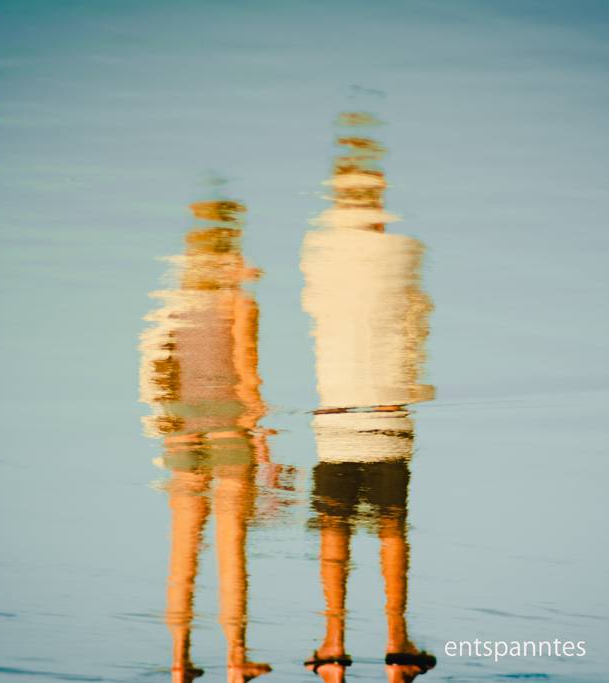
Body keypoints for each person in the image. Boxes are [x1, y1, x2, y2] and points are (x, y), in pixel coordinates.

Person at [301, 113, 437, 683]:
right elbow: (416, 323)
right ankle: (396, 644)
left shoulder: (317, 248)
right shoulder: (405, 249)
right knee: (391, 524)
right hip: (386, 405)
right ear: (379, 194)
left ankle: (332, 648)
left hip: (334, 404)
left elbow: (315, 315)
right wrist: (410, 389)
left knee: (334, 520)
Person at [139, 198, 279, 683]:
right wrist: (264, 448)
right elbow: (247, 378)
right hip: (228, 429)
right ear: (231, 250)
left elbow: (157, 371)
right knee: (230, 550)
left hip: (179, 429)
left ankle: (179, 660)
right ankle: (235, 658)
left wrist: (165, 423)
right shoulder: (239, 303)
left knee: (181, 553)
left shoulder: (173, 302)